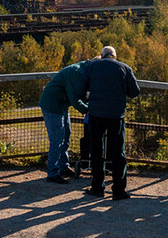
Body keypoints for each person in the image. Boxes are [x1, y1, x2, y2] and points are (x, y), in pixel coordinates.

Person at [77, 45, 141, 200]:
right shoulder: (125, 68)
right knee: (118, 152)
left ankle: (98, 187)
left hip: (96, 115)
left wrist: (90, 99)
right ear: (115, 56)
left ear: (102, 55)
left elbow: (79, 91)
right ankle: (118, 190)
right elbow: (135, 92)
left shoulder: (92, 66)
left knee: (97, 150)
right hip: (116, 115)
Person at [38, 58, 93, 184]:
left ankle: (63, 167)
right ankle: (52, 172)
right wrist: (89, 110)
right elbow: (74, 98)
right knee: (57, 139)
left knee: (66, 136)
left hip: (61, 105)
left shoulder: (85, 71)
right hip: (52, 105)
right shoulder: (75, 72)